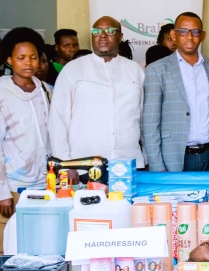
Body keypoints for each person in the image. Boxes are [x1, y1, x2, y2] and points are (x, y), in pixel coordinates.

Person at [0, 28, 52, 255]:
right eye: (21, 58)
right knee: (8, 251)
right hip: (13, 186)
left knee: (41, 247)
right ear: (9, 60)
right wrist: (1, 191)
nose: (28, 63)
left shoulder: (45, 91)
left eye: (33, 57)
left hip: (44, 184)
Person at [49, 16, 145, 166]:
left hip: (129, 163)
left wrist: (146, 157)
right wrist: (65, 164)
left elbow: (145, 119)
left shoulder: (135, 70)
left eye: (110, 31)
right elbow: (58, 120)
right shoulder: (73, 70)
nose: (103, 35)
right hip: (84, 164)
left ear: (120, 37)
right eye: (96, 31)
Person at [142, 12, 209, 172]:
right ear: (174, 35)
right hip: (172, 158)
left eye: (195, 32)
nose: (190, 37)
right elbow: (150, 123)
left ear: (203, 35)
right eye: (183, 31)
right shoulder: (157, 70)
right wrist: (157, 166)